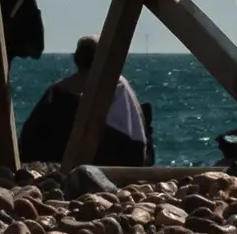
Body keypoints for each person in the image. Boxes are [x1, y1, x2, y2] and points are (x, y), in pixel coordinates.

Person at [24, 36, 152, 163]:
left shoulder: (108, 80)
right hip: (131, 149)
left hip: (126, 151)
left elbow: (71, 87)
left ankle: (28, 153)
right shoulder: (116, 80)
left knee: (61, 104)